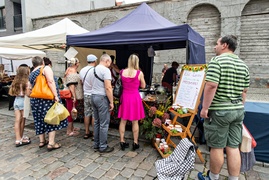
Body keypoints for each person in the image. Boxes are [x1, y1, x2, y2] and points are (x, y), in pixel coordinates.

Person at [198, 35, 250, 180]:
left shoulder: (217, 61)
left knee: (217, 146)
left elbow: (211, 85)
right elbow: (244, 91)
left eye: (217, 44)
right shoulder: (243, 64)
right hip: (237, 110)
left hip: (220, 111)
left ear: (225, 45)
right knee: (233, 147)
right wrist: (239, 107)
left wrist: (204, 108)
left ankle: (213, 177)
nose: (215, 47)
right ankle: (234, 178)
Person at [29, 56, 67, 151]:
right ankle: (51, 143)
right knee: (51, 118)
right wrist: (56, 95)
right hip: (46, 99)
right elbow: (50, 81)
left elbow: (29, 87)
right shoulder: (46, 68)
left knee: (39, 119)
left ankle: (42, 141)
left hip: (35, 99)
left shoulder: (32, 73)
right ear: (42, 62)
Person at [117, 54, 146, 151]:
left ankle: (122, 140)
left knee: (123, 121)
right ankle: (135, 142)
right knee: (135, 121)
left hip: (125, 97)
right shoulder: (139, 73)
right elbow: (143, 86)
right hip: (134, 98)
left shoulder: (122, 72)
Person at [90, 54, 114, 153]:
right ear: (107, 61)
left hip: (93, 96)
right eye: (110, 63)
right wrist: (112, 102)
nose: (110, 65)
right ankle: (103, 146)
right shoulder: (106, 70)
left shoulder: (93, 69)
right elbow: (108, 88)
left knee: (97, 122)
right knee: (104, 123)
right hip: (102, 98)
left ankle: (96, 143)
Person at [8, 64, 31, 147]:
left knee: (17, 120)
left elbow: (11, 92)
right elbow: (28, 94)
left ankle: (18, 138)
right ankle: (21, 137)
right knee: (23, 120)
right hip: (23, 101)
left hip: (16, 101)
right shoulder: (26, 82)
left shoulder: (15, 81)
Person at [79, 54, 97, 140]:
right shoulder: (95, 70)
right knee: (94, 114)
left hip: (86, 93)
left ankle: (86, 132)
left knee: (86, 113)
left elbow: (81, 81)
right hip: (93, 94)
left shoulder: (82, 70)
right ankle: (94, 133)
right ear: (95, 61)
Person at [64, 57, 83, 136]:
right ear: (76, 64)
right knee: (71, 112)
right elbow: (71, 86)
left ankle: (72, 128)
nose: (79, 63)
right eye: (78, 62)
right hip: (71, 96)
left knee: (72, 112)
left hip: (71, 96)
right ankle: (69, 131)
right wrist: (74, 97)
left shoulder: (69, 70)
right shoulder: (72, 72)